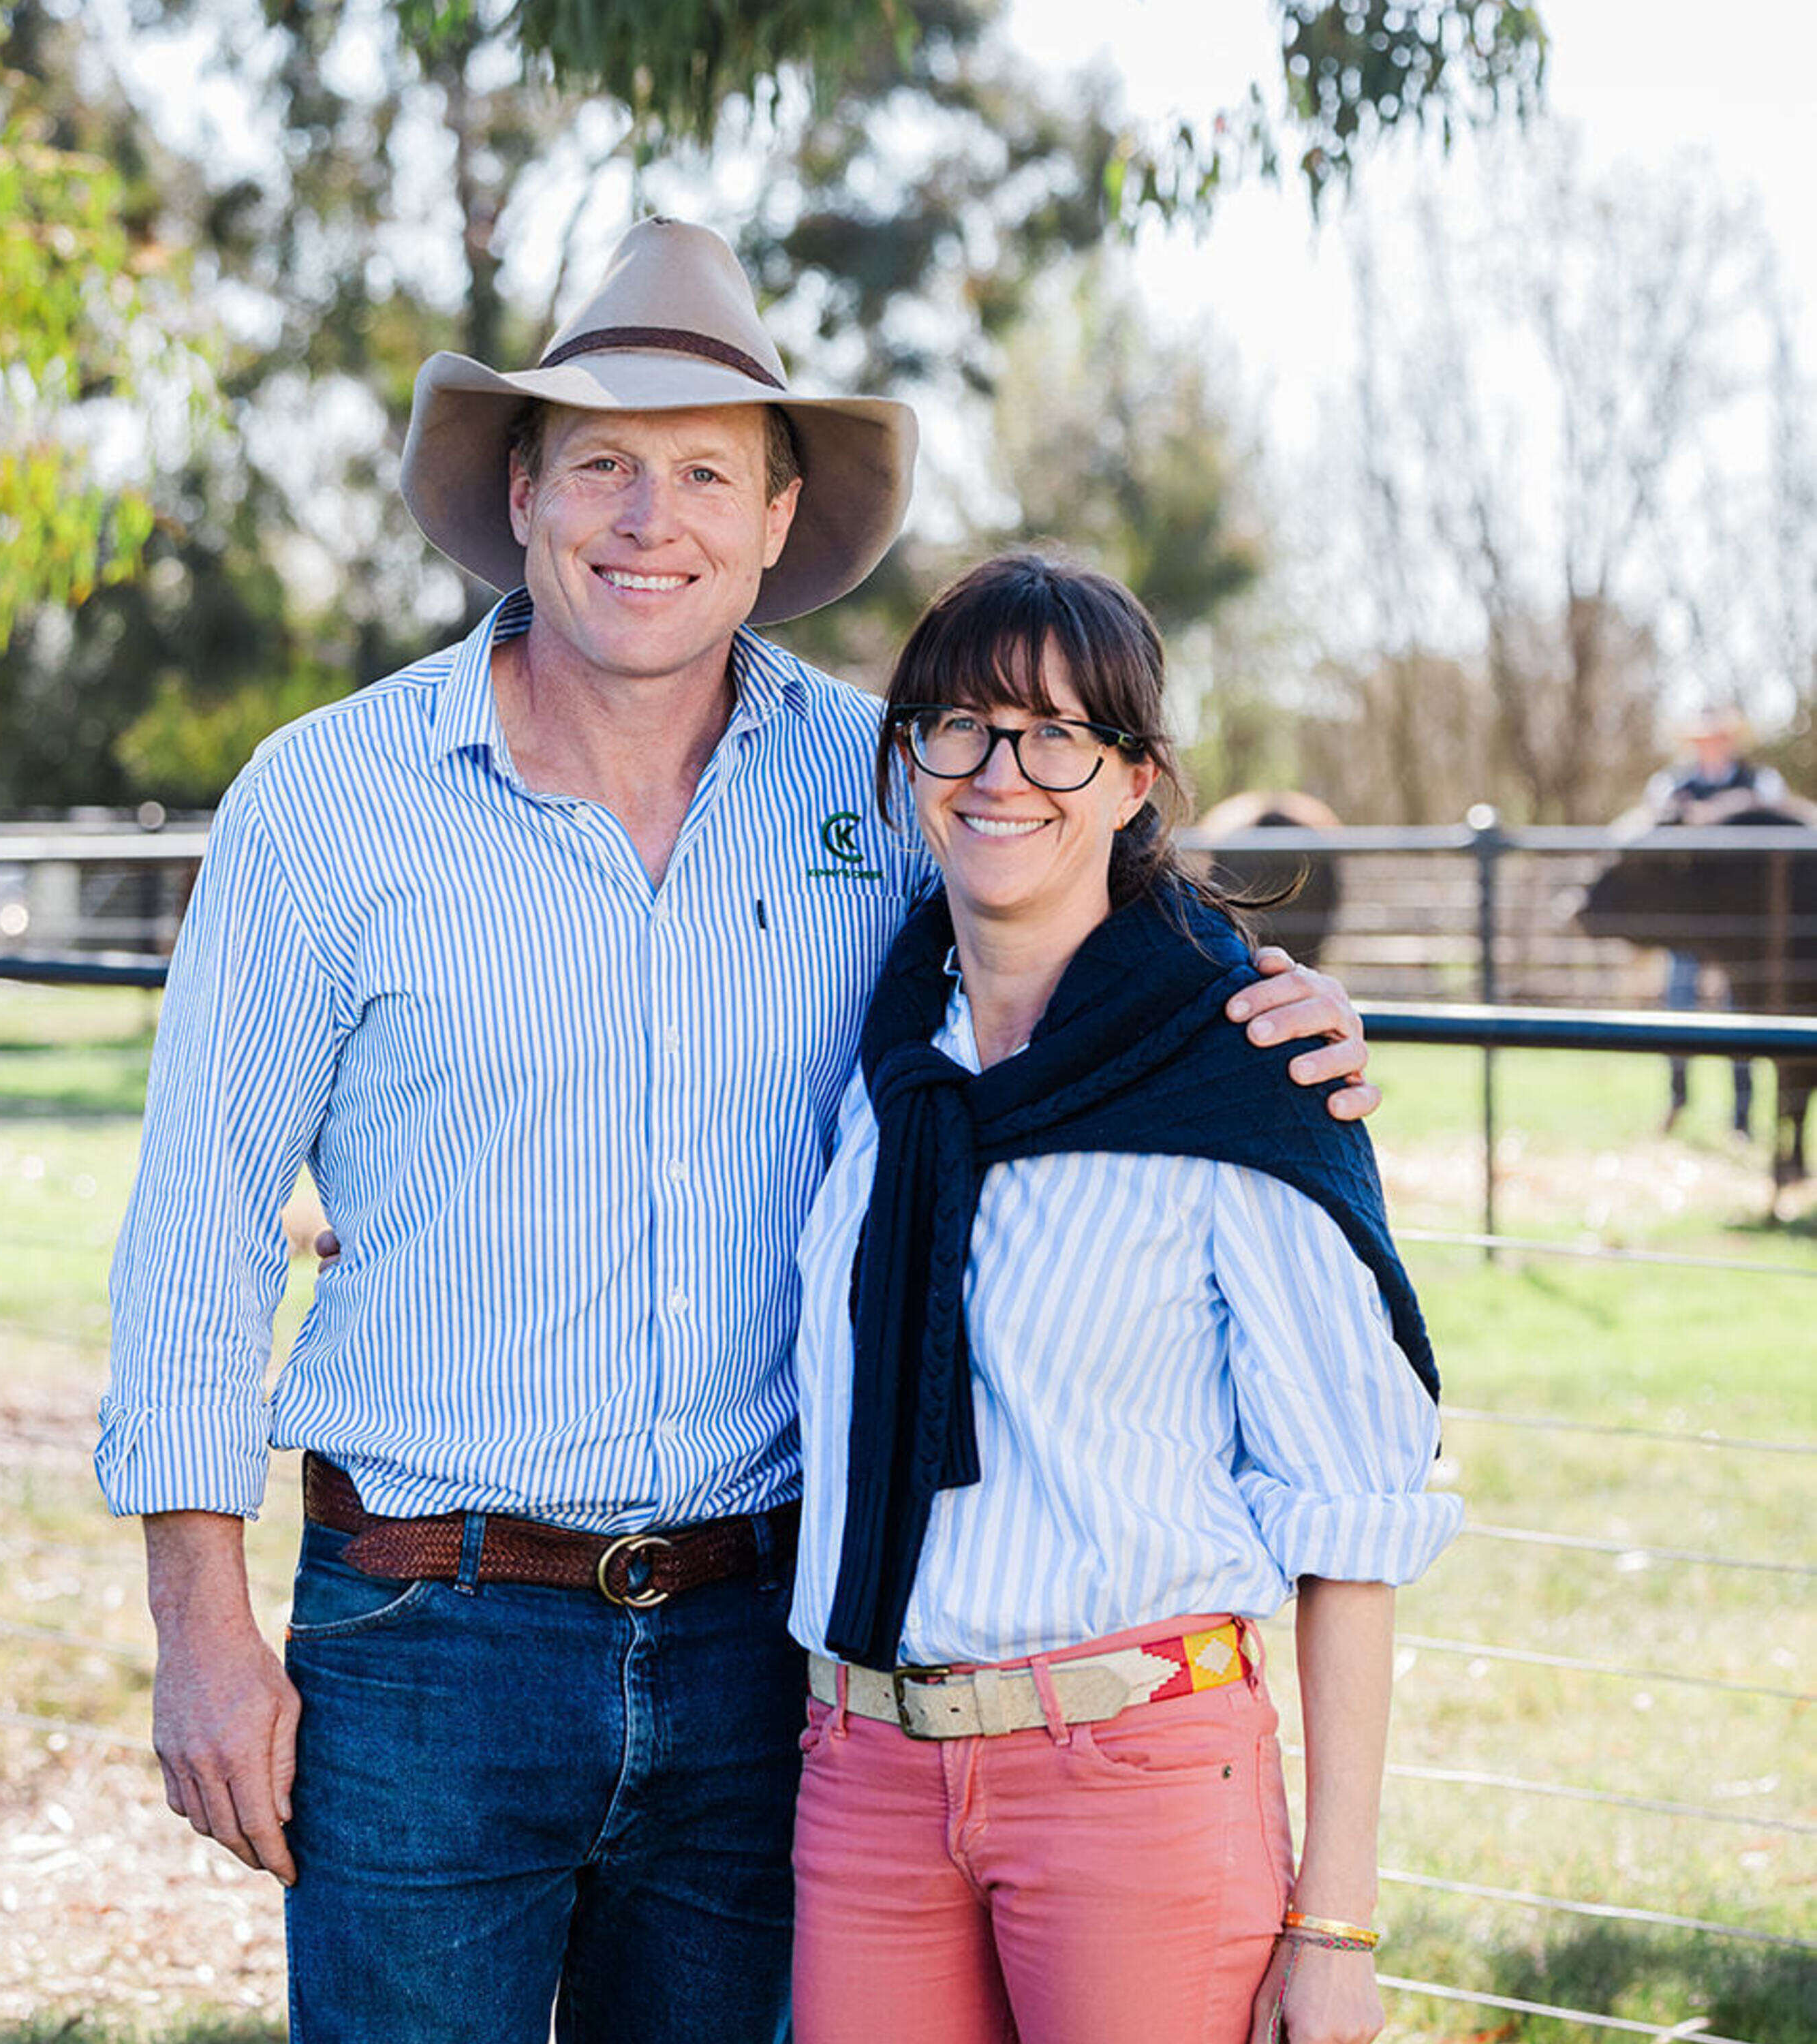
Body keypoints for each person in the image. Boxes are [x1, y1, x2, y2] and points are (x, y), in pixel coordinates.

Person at [96, 221, 1382, 2044]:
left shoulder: (876, 780)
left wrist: (1270, 1008)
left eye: (708, 470)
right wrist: (201, 1633)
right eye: (606, 463)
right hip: (422, 1638)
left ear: (779, 523)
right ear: (525, 492)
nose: (652, 517)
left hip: (759, 1652)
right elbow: (198, 1223)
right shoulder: (327, 802)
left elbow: (1077, 898)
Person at [786, 555, 1460, 2044]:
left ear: (1135, 776)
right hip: (866, 1771)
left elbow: (1351, 1511)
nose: (1000, 772)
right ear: (908, 759)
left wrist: (1334, 1922)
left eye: (1056, 733)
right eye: (956, 724)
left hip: (1134, 1777)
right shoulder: (879, 1057)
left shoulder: (1241, 1077)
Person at [1645, 707, 1786, 1136]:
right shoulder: (1671, 784)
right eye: (1704, 738)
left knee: (1738, 1018)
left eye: (1719, 737)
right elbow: (1654, 820)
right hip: (1690, 926)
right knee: (1679, 1010)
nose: (1711, 744)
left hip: (1739, 927)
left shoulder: (1759, 781)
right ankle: (1677, 1099)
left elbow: (1775, 814)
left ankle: (1741, 1118)